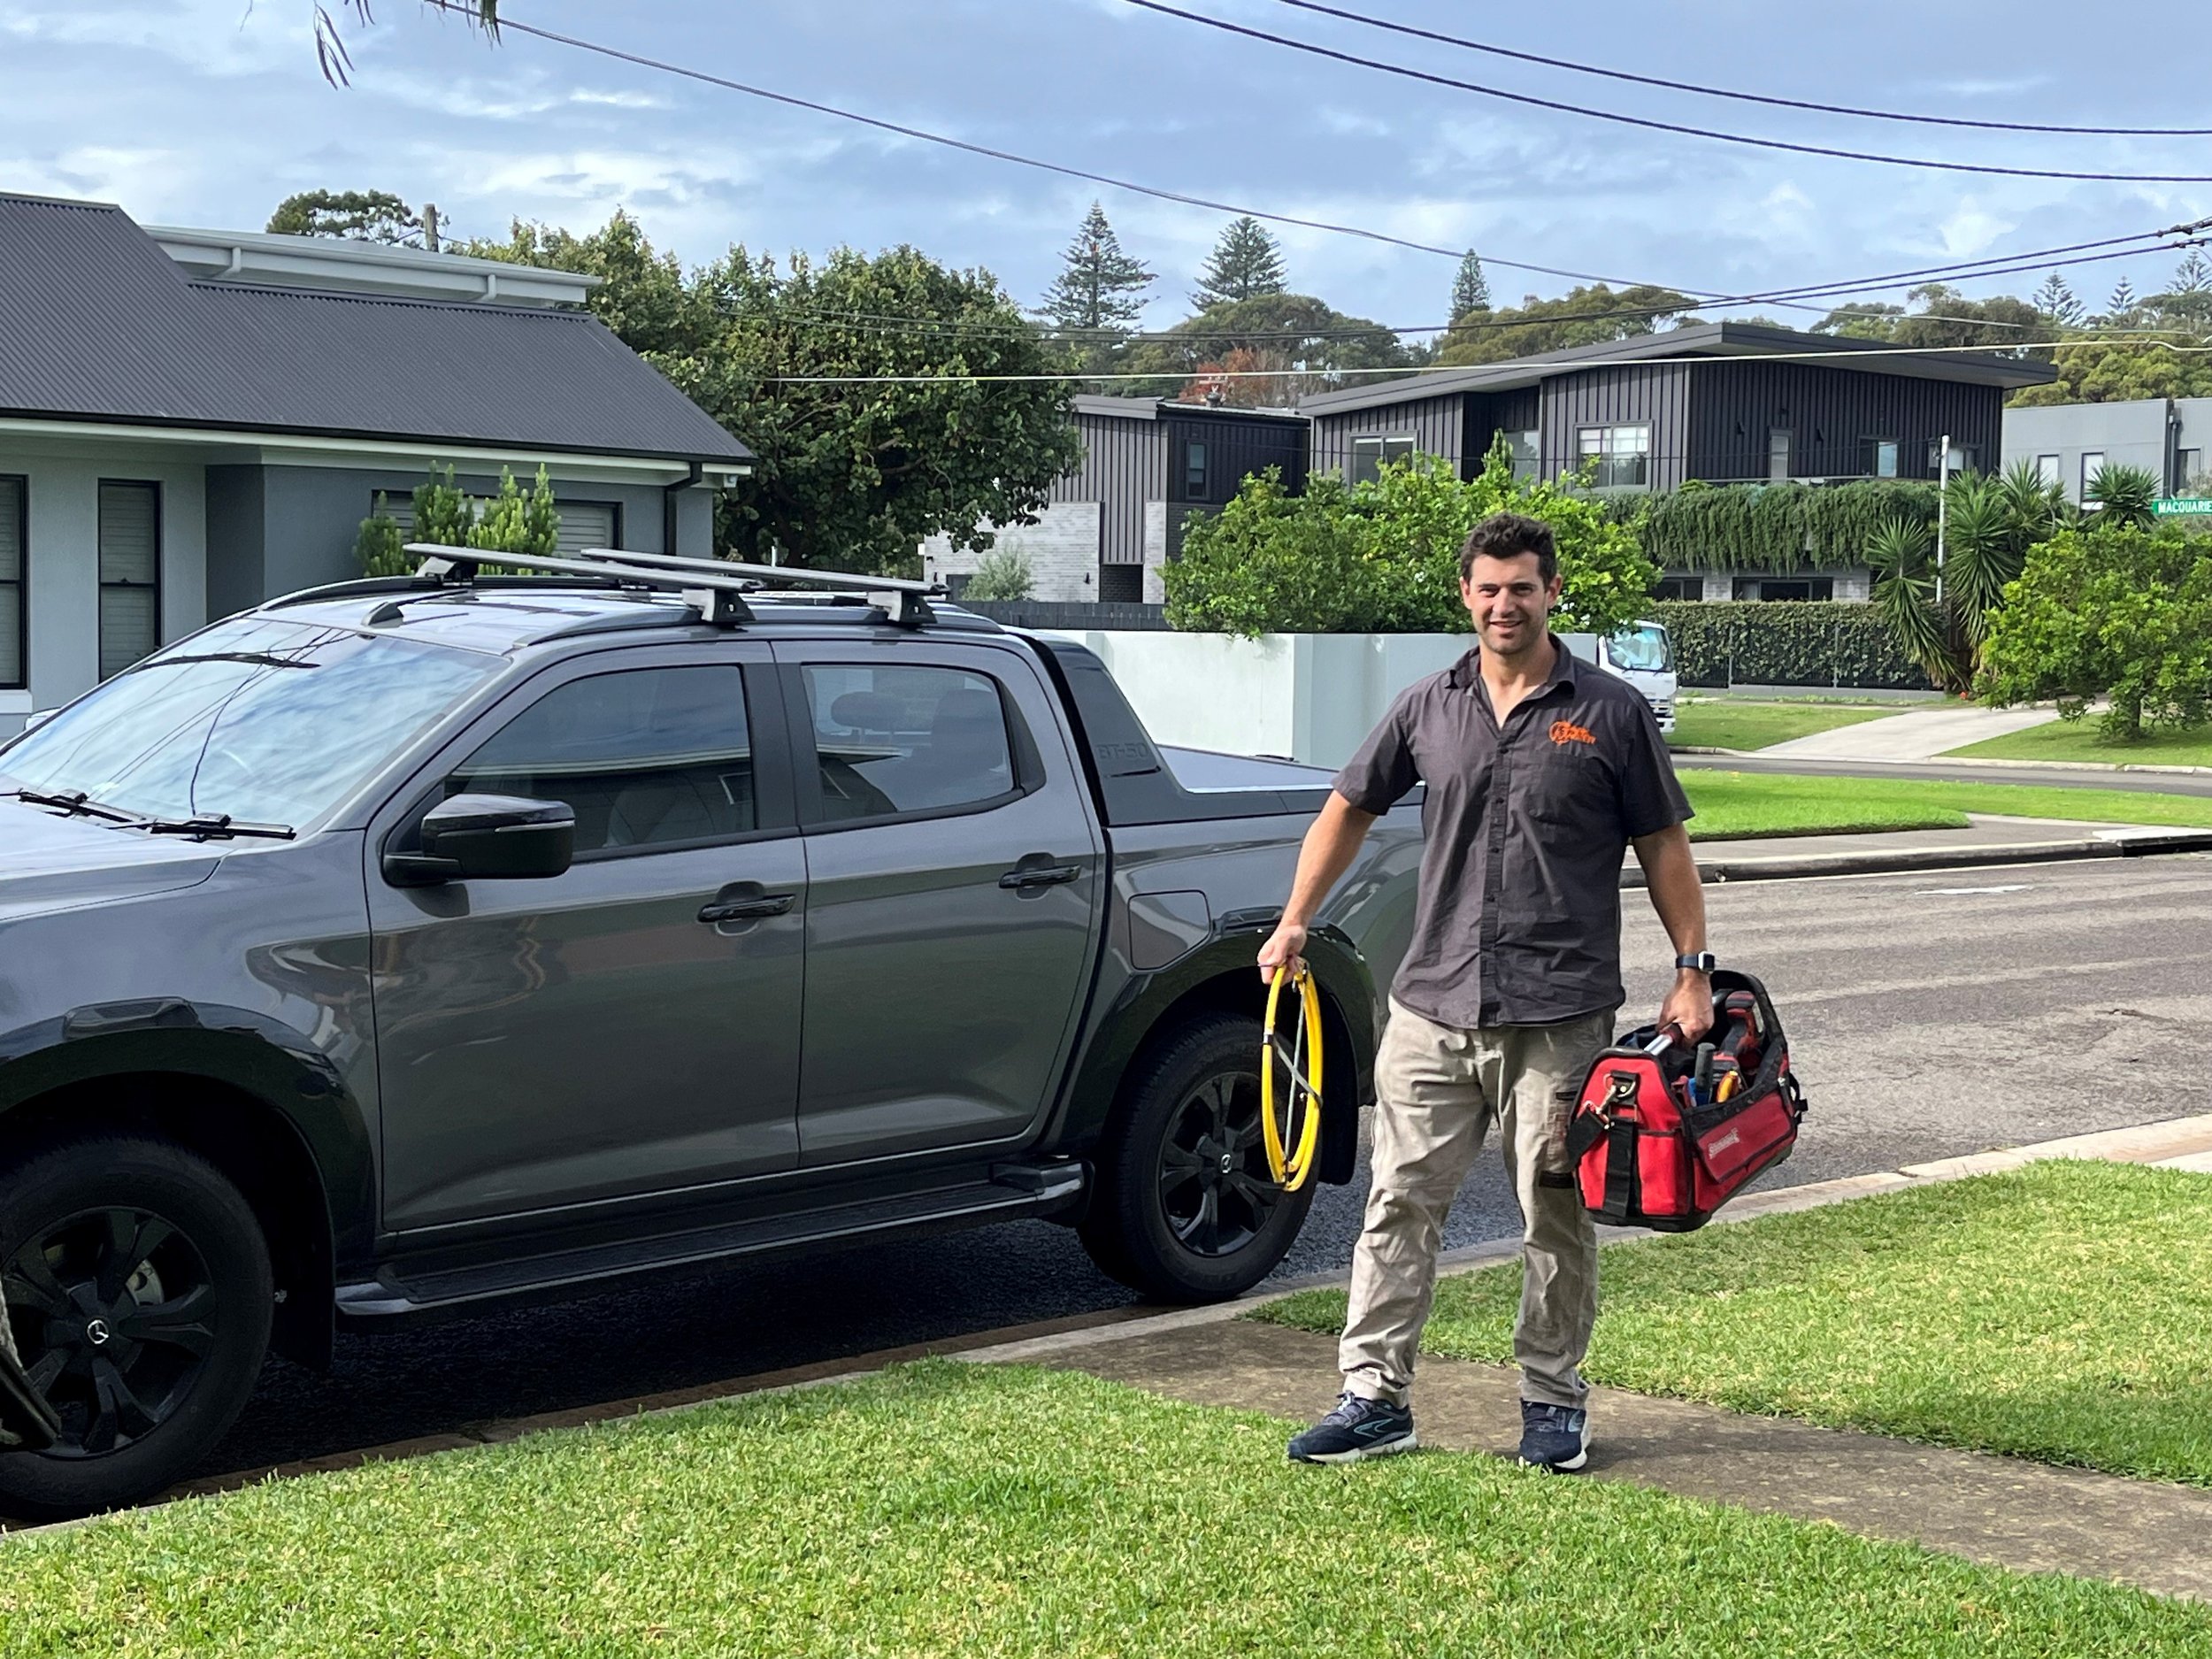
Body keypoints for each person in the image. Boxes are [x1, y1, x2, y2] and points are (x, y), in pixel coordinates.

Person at [1258, 511, 1713, 1472]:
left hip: (1559, 1015)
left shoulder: (1612, 712)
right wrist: (1295, 917)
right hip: (1433, 1006)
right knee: (1396, 1204)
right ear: (1465, 595)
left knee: (1553, 1213)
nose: (1505, 603)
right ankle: (1372, 1396)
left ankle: (1552, 1400)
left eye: (1522, 587)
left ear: (1553, 593)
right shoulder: (1428, 706)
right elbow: (1348, 807)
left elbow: (1663, 845)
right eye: (1488, 587)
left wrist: (1690, 970)